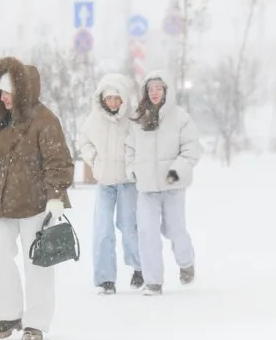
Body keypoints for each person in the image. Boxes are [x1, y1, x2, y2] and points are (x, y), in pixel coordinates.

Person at [0, 56, 74, 340]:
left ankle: (36, 321)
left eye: (7, 92)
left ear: (22, 91)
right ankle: (8, 314)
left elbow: (58, 161)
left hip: (36, 203)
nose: (2, 98)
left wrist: (56, 196)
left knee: (38, 261)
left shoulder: (45, 120)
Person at [125, 71, 202, 296]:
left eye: (159, 88)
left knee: (175, 230)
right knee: (147, 233)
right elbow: (130, 148)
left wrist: (176, 171)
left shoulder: (180, 117)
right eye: (151, 89)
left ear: (166, 91)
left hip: (172, 186)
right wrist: (132, 170)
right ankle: (153, 282)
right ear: (145, 92)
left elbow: (191, 149)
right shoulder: (139, 118)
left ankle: (186, 263)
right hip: (146, 188)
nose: (155, 92)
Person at [79, 73, 142, 294]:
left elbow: (142, 143)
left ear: (123, 98)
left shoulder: (133, 118)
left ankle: (139, 268)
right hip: (105, 183)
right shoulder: (94, 120)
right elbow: (84, 142)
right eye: (109, 98)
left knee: (129, 227)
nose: (113, 103)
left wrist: (134, 165)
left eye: (117, 98)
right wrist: (94, 158)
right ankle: (106, 278)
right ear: (102, 99)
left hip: (127, 182)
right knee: (103, 229)